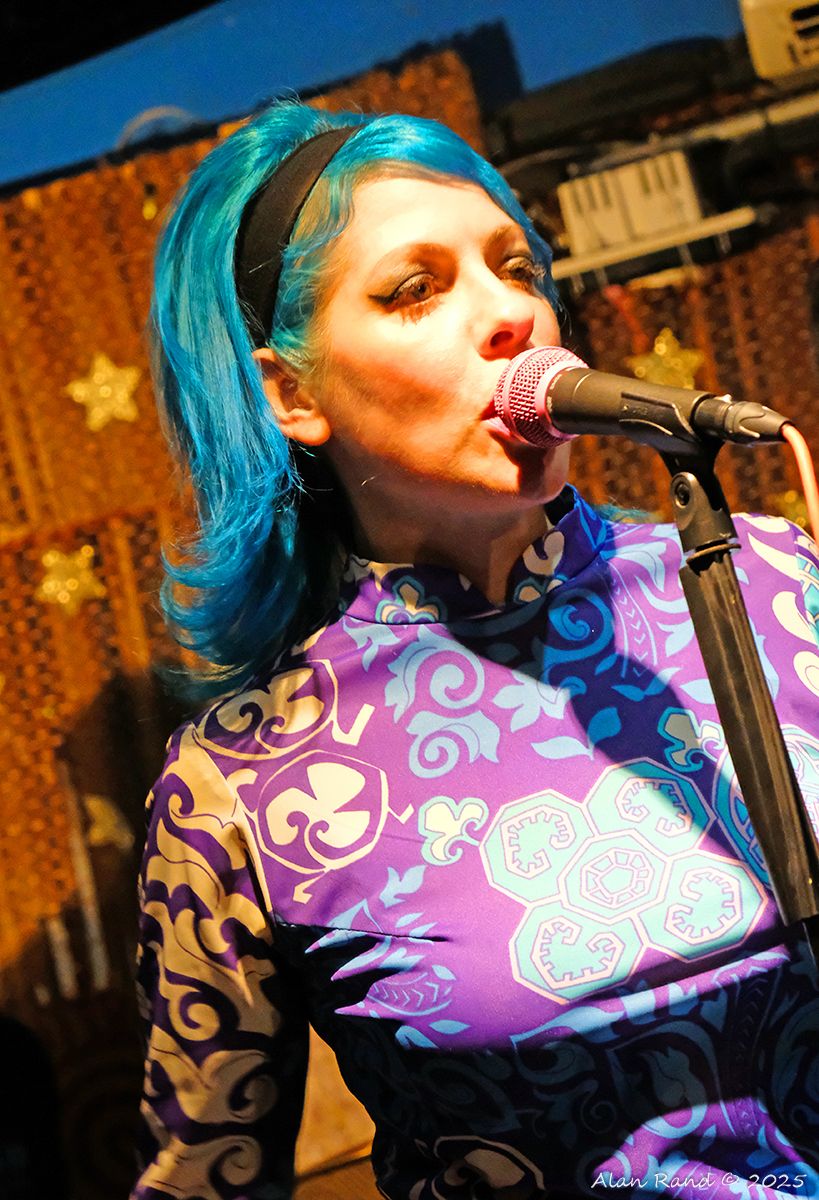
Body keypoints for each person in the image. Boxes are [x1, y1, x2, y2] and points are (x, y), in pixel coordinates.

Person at [133, 99, 819, 1200]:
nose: (509, 313)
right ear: (290, 394)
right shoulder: (242, 784)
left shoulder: (776, 581)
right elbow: (202, 1182)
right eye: (416, 288)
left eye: (516, 268)